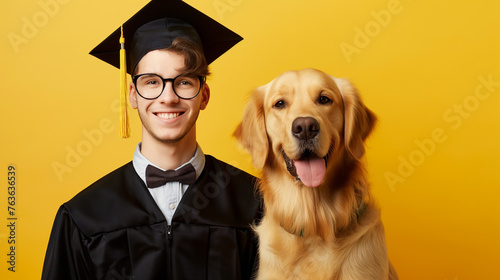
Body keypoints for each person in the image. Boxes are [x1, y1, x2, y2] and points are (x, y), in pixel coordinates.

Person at [41, 0, 261, 279]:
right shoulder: (84, 217)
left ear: (204, 95)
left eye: (184, 81)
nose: (168, 97)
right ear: (132, 94)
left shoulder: (253, 206)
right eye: (152, 82)